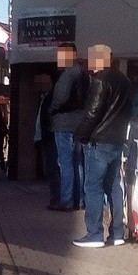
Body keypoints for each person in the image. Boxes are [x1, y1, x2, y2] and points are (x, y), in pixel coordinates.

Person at [72, 44, 133, 248]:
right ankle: (117, 234)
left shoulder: (100, 80)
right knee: (114, 186)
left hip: (99, 142)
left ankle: (94, 235)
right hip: (117, 141)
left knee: (93, 187)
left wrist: (80, 136)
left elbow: (92, 113)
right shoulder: (124, 80)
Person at [48, 42, 90, 211]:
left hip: (64, 123)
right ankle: (78, 201)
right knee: (78, 164)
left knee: (65, 163)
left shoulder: (68, 73)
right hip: (80, 123)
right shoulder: (83, 74)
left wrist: (51, 109)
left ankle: (66, 200)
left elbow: (61, 98)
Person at [33, 73, 59, 206]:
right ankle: (56, 197)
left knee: (53, 169)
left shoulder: (52, 97)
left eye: (41, 80)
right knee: (51, 169)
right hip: (46, 137)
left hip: (50, 138)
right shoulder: (45, 97)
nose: (38, 82)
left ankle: (56, 199)